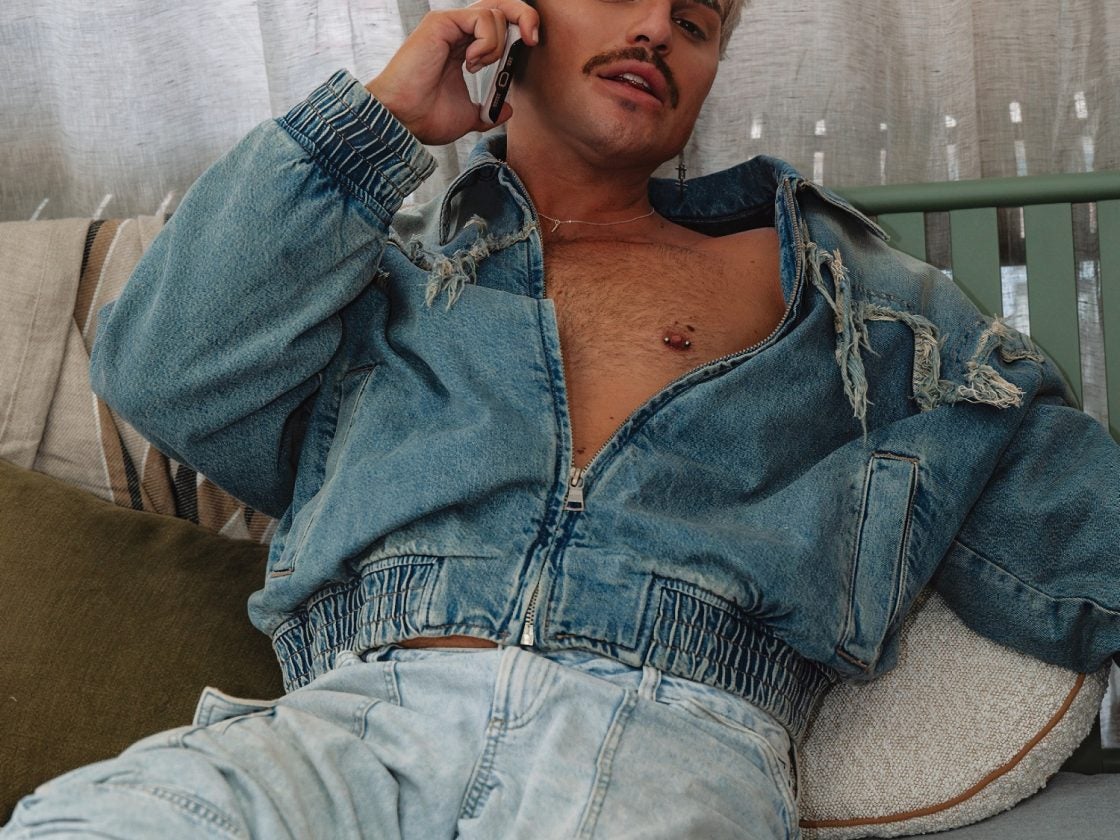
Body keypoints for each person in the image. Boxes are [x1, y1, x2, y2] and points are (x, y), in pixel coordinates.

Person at [5, 0, 1119, 837]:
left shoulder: (842, 292)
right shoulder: (375, 281)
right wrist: (380, 120)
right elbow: (161, 369)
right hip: (351, 725)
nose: (658, 28)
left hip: (663, 739)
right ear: (517, 20)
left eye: (697, 22)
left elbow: (1060, 503)